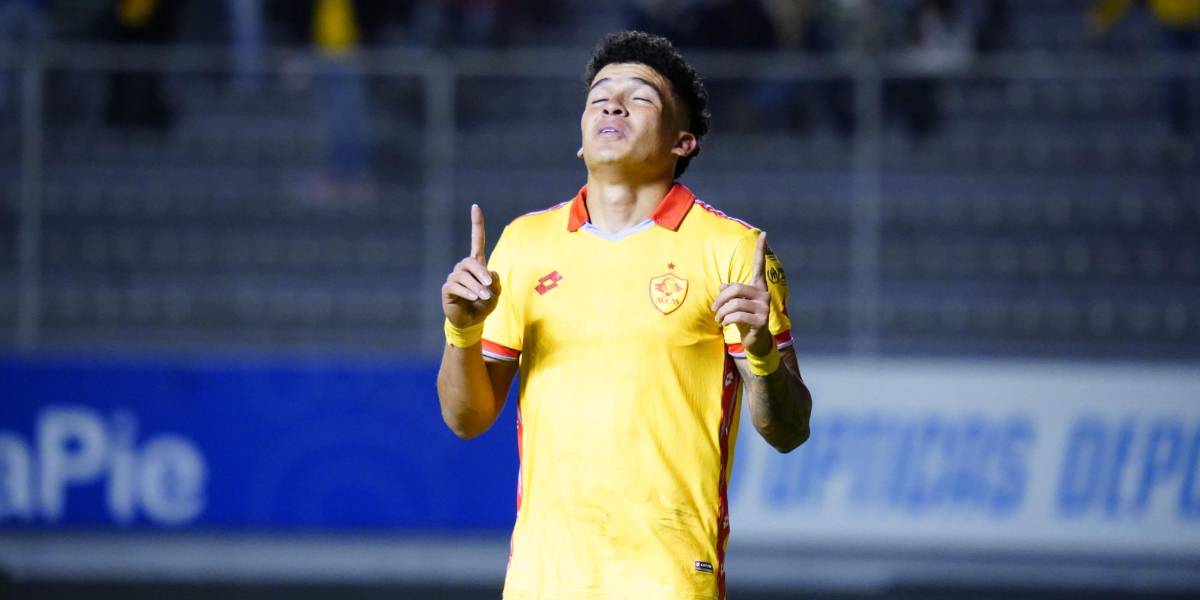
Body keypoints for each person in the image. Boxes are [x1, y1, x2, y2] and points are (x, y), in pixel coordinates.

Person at [437, 31, 812, 599]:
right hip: (542, 579)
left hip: (666, 578)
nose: (612, 105)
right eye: (598, 97)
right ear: (581, 140)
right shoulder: (523, 244)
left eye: (639, 97)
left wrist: (761, 356)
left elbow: (789, 430)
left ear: (683, 142)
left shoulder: (733, 251)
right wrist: (462, 330)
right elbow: (465, 419)